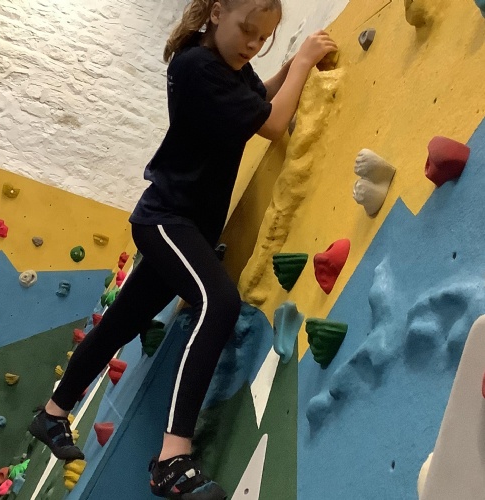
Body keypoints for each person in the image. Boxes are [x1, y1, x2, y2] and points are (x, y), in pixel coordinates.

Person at [29, 0, 337, 498]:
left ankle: (52, 412)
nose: (253, 44)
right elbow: (272, 124)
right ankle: (172, 458)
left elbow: (259, 99)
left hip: (182, 224)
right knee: (218, 302)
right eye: (247, 30)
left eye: (263, 38)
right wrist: (302, 61)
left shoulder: (230, 69)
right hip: (168, 219)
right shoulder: (196, 65)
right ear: (216, 13)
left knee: (122, 323)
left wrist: (286, 68)